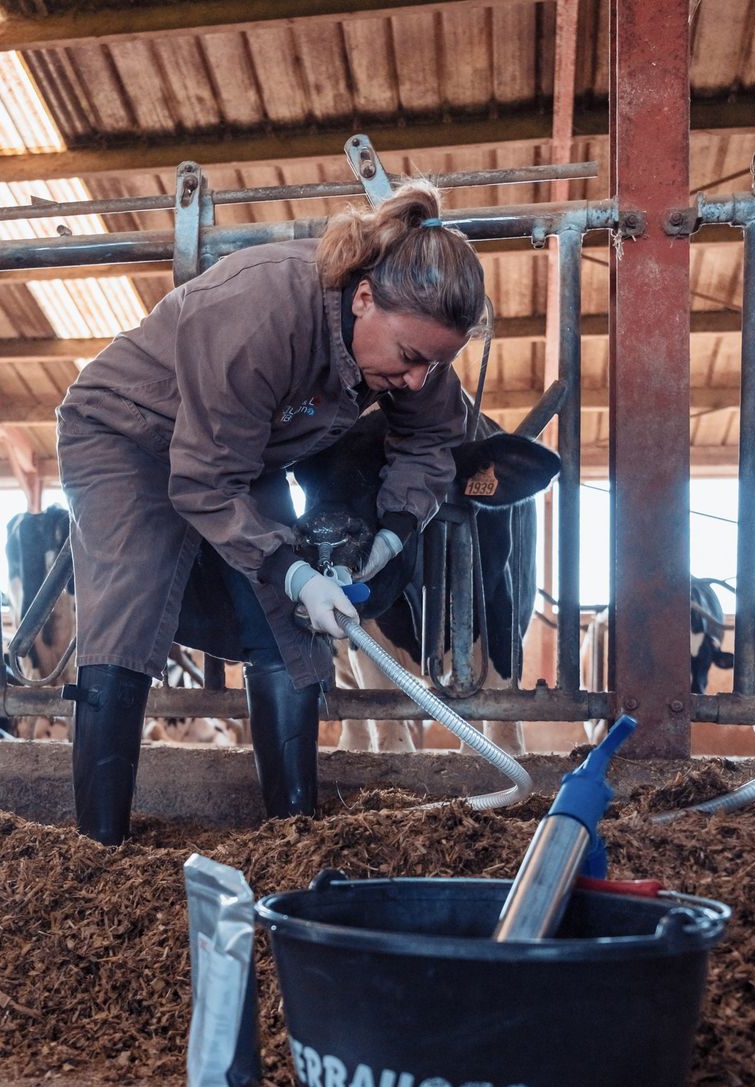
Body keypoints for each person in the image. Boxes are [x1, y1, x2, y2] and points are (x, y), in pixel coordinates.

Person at [55, 180, 488, 844]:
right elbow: (203, 481)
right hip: (127, 432)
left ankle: (292, 835)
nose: (415, 381)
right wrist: (295, 571)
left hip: (238, 452)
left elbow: (433, 436)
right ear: (364, 298)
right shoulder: (260, 313)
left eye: (434, 365)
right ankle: (99, 845)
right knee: (128, 604)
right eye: (409, 359)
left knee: (285, 623)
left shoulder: (410, 348)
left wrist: (394, 534)